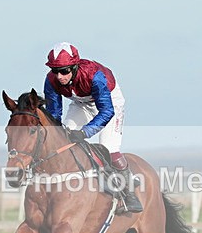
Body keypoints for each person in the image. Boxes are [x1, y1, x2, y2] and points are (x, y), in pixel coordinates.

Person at [43, 42, 143, 213]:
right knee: (64, 141)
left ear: (74, 67)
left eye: (64, 71)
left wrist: (85, 132)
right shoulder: (51, 80)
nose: (59, 76)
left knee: (109, 148)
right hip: (81, 104)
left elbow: (106, 110)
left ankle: (129, 193)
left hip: (109, 104)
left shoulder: (94, 76)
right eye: (55, 70)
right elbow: (54, 114)